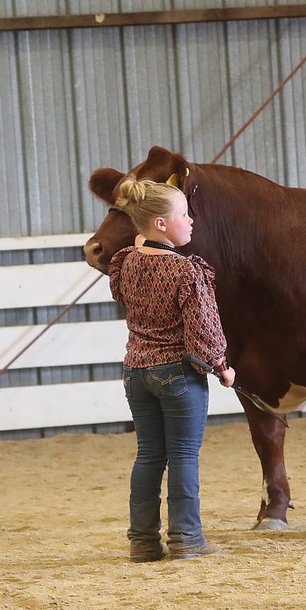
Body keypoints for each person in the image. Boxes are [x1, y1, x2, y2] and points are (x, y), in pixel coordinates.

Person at [107, 174, 236, 562]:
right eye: (183, 213)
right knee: (183, 456)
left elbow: (120, 295)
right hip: (177, 373)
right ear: (161, 224)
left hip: (136, 371)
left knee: (148, 456)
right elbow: (205, 328)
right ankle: (186, 538)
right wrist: (221, 366)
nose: (191, 220)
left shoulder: (125, 262)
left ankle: (143, 541)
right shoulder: (186, 271)